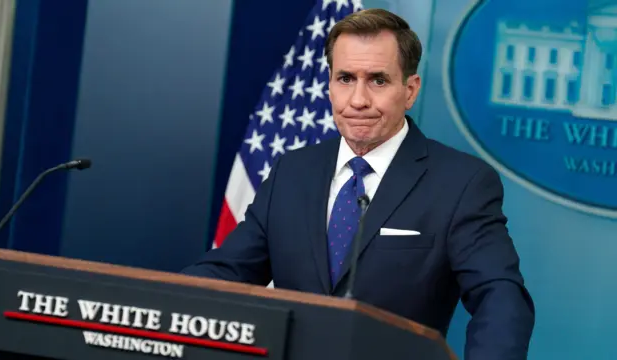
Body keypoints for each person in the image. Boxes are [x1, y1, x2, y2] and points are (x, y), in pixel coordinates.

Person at [182, 8, 534, 359]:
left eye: (378, 80)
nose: (358, 100)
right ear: (330, 85)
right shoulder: (292, 171)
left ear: (410, 90)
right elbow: (229, 269)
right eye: (345, 78)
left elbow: (500, 297)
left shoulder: (461, 183)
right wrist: (156, 305)